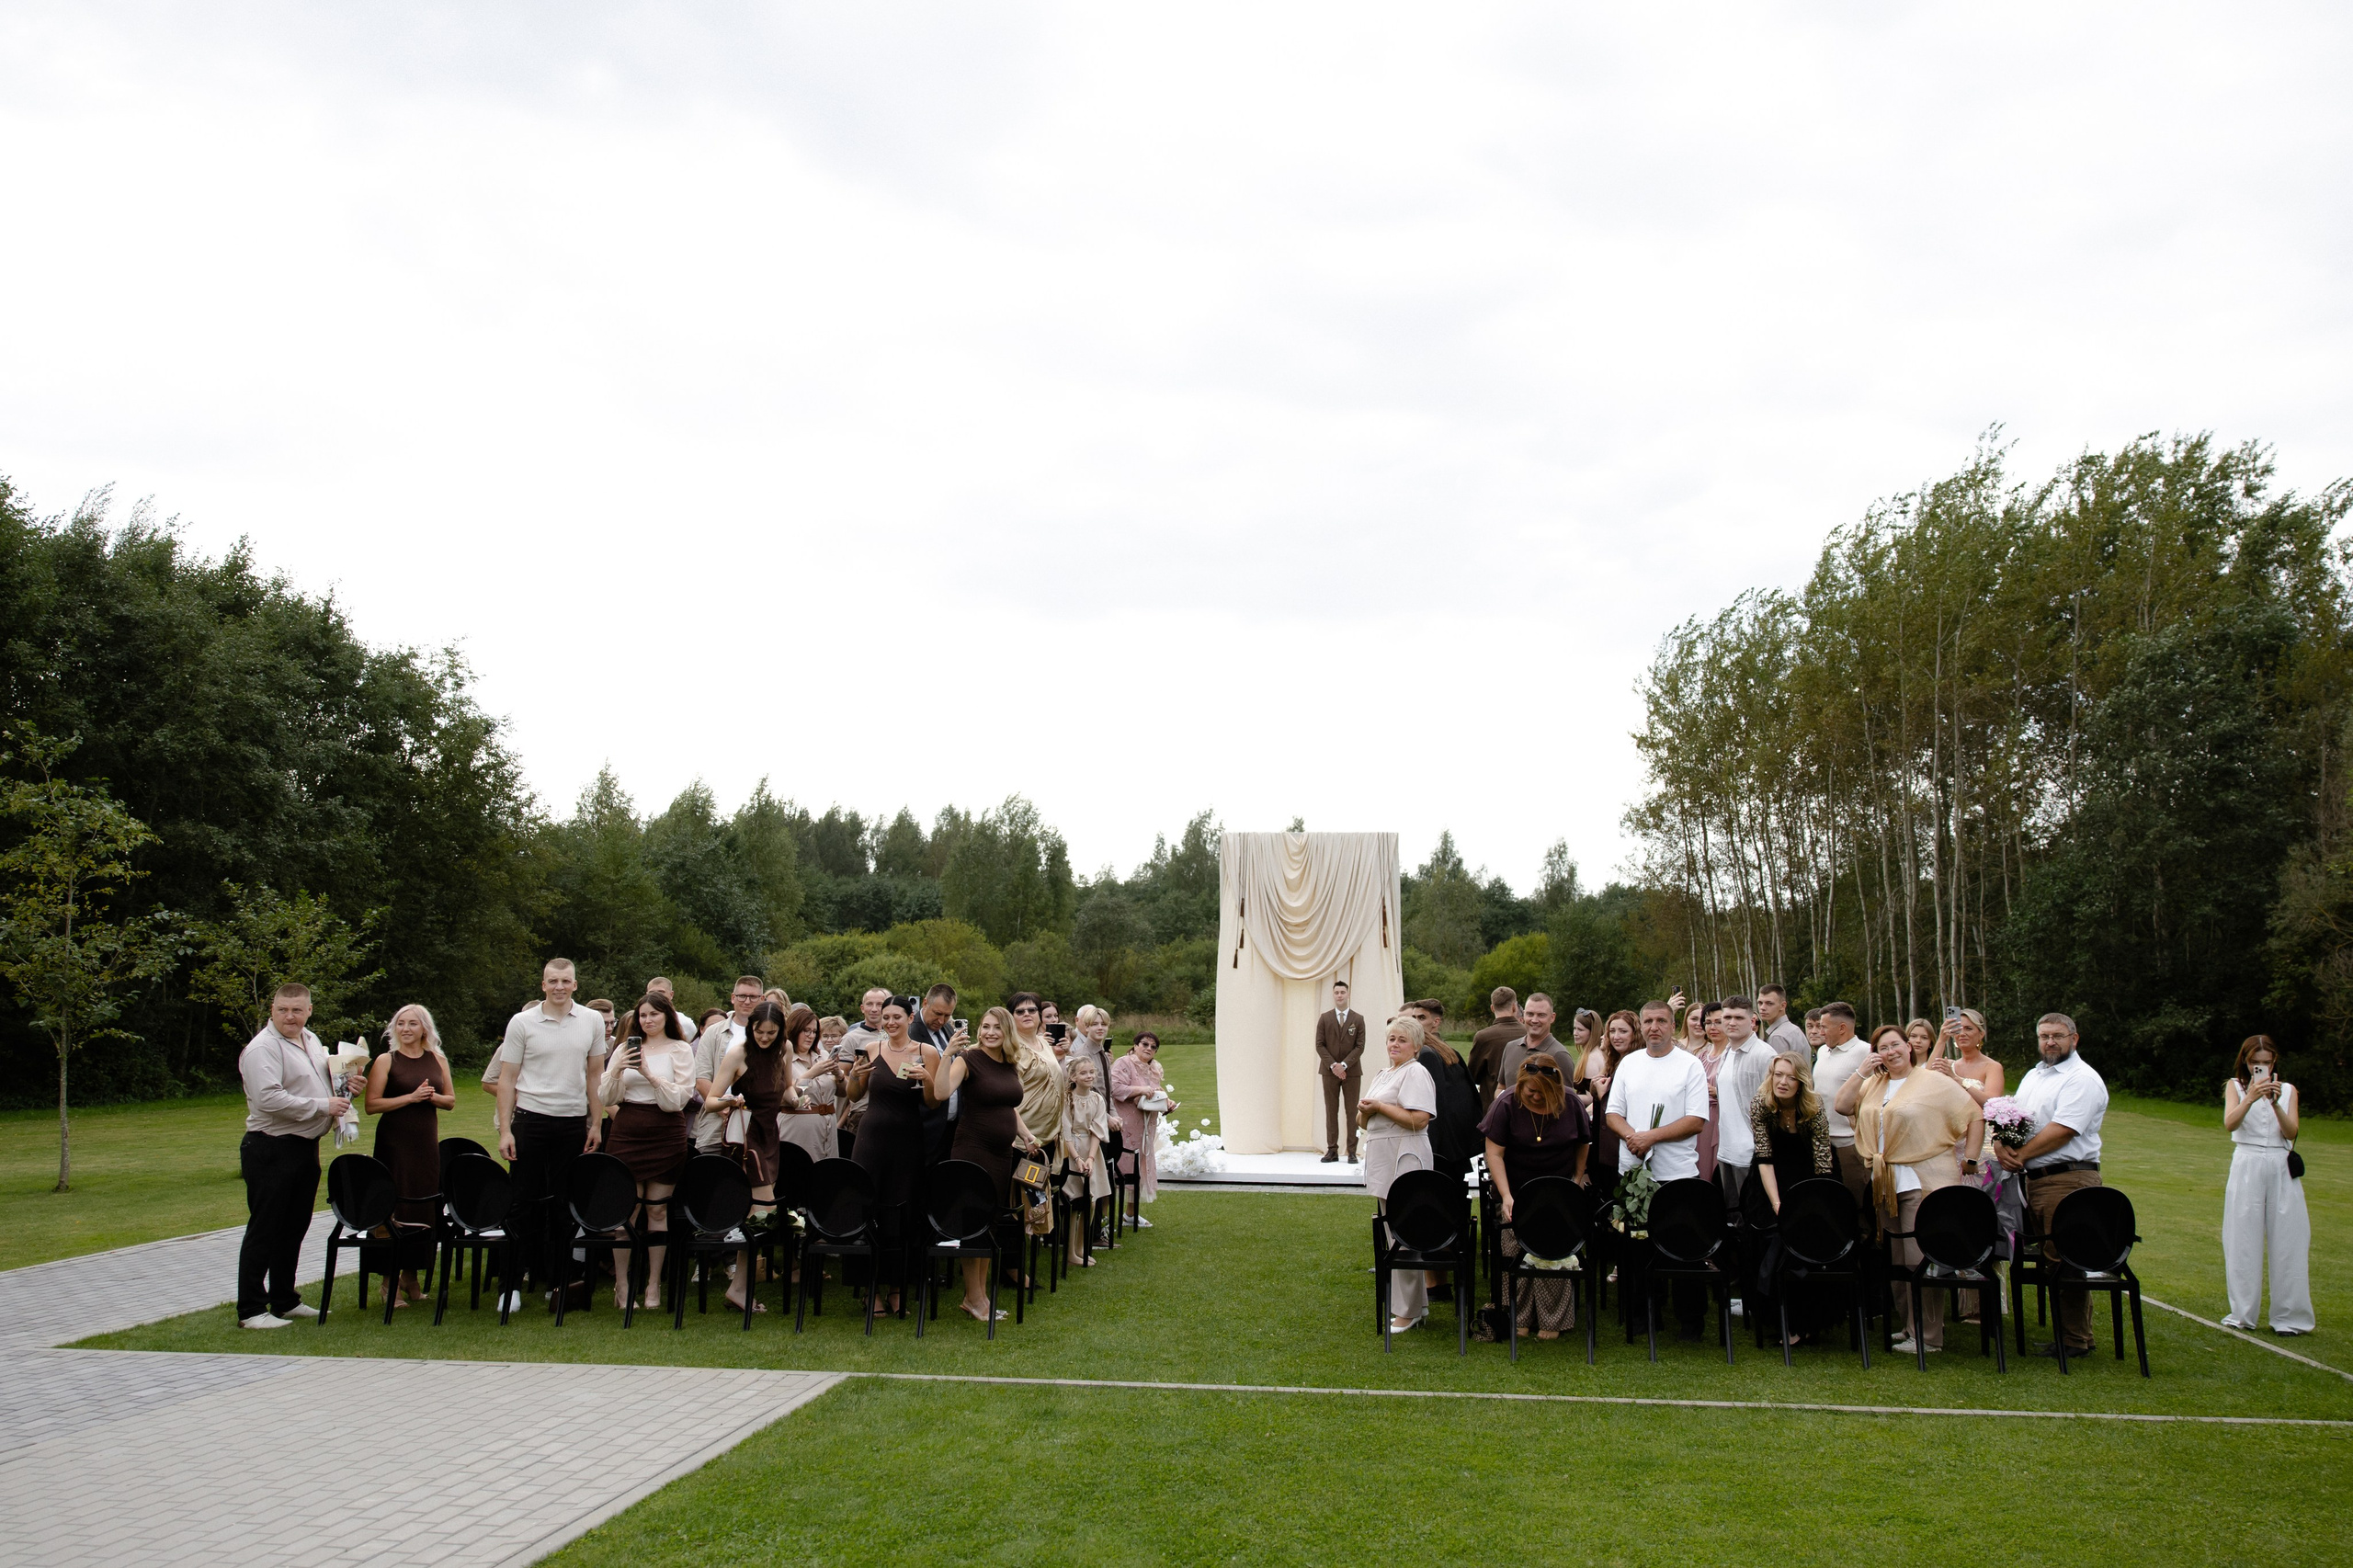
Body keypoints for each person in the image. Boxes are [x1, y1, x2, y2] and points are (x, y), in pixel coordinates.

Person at [1838, 1024, 1984, 1354]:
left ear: (1909, 1046)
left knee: (1920, 1259)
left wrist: (1971, 1160)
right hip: (1887, 1183)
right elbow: (1843, 1106)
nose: (1891, 1052)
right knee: (1896, 1259)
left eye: (1895, 1045)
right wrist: (1862, 1072)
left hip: (1924, 1180)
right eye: (1883, 1048)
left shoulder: (1933, 1082)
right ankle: (1909, 1327)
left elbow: (1974, 1114)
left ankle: (1929, 1337)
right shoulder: (1875, 1085)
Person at [235, 983, 350, 1328]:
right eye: (283, 1009)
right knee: (265, 1228)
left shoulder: (311, 1040)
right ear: (272, 1009)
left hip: (304, 1147)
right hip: (270, 1147)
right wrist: (323, 1105)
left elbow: (318, 1082)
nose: (290, 1016)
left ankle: (284, 1298)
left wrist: (345, 1087)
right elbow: (268, 1099)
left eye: (297, 1010)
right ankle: (251, 1309)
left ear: (309, 1010)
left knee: (294, 1228)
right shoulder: (262, 1049)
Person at [1995, 1012, 2109, 1358]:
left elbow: (2064, 1129)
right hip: (2036, 1180)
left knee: (2064, 1258)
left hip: (2068, 1178)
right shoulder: (2035, 1075)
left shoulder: (2081, 1078)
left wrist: (2021, 1155)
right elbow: (2011, 1115)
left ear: (2075, 1039)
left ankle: (2075, 1340)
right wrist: (2000, 1142)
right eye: (2044, 1035)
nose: (2050, 1042)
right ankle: (2074, 1336)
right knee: (2051, 1259)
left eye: (2058, 1035)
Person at [495, 959, 607, 1312]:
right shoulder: (522, 1022)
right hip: (530, 1121)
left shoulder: (590, 1021)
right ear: (543, 985)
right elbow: (507, 1079)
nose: (559, 986)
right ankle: (510, 1286)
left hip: (572, 1122)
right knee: (521, 1206)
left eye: (566, 981)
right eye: (553, 981)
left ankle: (558, 1284)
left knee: (564, 1209)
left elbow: (594, 1077)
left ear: (576, 985)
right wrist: (506, 1130)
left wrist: (596, 1123)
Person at [1605, 998, 1711, 1339]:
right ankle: (1643, 1317)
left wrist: (1652, 1136)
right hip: (1634, 1173)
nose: (1654, 1027)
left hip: (1676, 1174)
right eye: (1648, 1021)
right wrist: (1633, 1137)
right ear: (1641, 1025)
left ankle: (1690, 1322)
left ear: (1671, 1024)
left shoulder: (1689, 1065)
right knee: (1637, 1251)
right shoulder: (1630, 1064)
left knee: (1684, 1251)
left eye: (1661, 1021)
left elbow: (1696, 1120)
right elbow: (1612, 1114)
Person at [934, 1006, 1048, 1321]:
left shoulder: (1009, 1062)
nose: (990, 1033)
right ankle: (974, 1298)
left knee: (990, 1223)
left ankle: (979, 1296)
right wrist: (947, 1055)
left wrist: (1026, 1135)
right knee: (972, 1224)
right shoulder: (968, 1060)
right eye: (985, 1027)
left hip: (1002, 1154)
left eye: (997, 1027)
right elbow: (941, 1092)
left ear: (1007, 1032)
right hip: (973, 1151)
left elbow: (1008, 1106)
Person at [597, 993, 697, 1312]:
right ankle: (623, 1285)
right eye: (642, 1015)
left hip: (665, 1134)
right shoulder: (624, 1048)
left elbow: (678, 1099)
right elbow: (606, 1095)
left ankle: (653, 1284)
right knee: (627, 1213)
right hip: (627, 1132)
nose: (648, 1020)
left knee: (656, 1210)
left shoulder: (680, 1050)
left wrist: (649, 1074)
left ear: (667, 1016)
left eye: (654, 1014)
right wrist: (617, 1070)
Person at [1480, 1055, 1590, 1339]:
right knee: (1513, 1253)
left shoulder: (1571, 1103)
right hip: (1516, 1192)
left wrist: (1577, 1179)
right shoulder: (1505, 1104)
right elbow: (1494, 1153)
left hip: (1557, 1195)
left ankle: (1553, 1321)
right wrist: (1506, 1196)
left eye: (1544, 1092)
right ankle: (1517, 1315)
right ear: (1521, 1086)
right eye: (1531, 1092)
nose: (1537, 1096)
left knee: (1554, 1254)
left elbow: (1583, 1143)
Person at [846, 995, 938, 1314]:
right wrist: (854, 1075)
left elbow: (935, 1102)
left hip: (908, 1141)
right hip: (871, 1140)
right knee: (866, 1210)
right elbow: (854, 1095)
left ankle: (898, 1289)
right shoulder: (873, 1050)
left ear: (910, 1017)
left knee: (900, 1214)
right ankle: (869, 1291)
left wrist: (927, 1080)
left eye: (896, 1016)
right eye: (885, 1017)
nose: (890, 1022)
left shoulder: (926, 1053)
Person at [362, 1003, 454, 1309]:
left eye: (413, 1024)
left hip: (425, 1144)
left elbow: (450, 1100)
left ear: (424, 1028)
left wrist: (432, 1098)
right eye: (401, 1023)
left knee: (422, 1207)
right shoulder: (387, 1060)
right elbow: (372, 1104)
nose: (406, 1029)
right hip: (395, 1143)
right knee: (396, 1207)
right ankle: (389, 1283)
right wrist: (411, 1098)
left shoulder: (437, 1059)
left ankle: (411, 1278)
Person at [2222, 1035, 2313, 1335]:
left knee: (2289, 1241)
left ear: (2274, 1062)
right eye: (2254, 1062)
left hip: (2280, 1166)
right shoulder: (2235, 1087)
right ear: (2245, 1062)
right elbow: (2230, 1124)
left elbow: (2291, 1131)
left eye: (2266, 1062)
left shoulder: (2288, 1091)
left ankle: (2290, 1317)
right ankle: (2242, 1314)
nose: (2260, 1067)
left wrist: (2274, 1104)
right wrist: (2250, 1098)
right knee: (2241, 1240)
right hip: (2246, 1162)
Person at [1747, 1053, 1835, 1344]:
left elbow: (1823, 1161)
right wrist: (1777, 1204)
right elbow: (1764, 1156)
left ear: (1802, 1082)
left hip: (1812, 1178)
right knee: (1773, 1235)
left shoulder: (1814, 1107)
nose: (1783, 1082)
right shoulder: (1761, 1104)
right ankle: (1777, 1318)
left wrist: (1810, 1206)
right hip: (1769, 1179)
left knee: (1808, 1236)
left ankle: (1808, 1320)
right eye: (1778, 1075)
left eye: (1791, 1077)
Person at [1360, 1016, 1438, 1333]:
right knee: (1393, 1233)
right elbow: (1363, 1121)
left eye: (1401, 1040)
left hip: (1404, 1156)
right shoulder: (1383, 1074)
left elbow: (1420, 1119)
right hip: (1382, 1157)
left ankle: (1407, 1310)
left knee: (1405, 1234)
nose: (1394, 1044)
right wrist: (1366, 1111)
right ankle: (1414, 1306)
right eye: (1391, 1039)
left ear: (1416, 1045)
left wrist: (1378, 1106)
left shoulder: (1416, 1072)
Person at [1708, 997, 1778, 1214]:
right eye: (1726, 1017)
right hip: (1727, 1150)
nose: (1731, 1022)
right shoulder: (1727, 1052)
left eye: (1739, 1017)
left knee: (1754, 1217)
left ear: (1752, 1020)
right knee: (1733, 1218)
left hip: (1751, 1154)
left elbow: (1775, 1106)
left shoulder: (1764, 1055)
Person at [1811, 1002, 1873, 1231]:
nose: (1819, 1032)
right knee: (1830, 1204)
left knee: (1857, 1203)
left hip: (1850, 1144)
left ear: (1843, 1028)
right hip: (1822, 1143)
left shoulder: (1865, 1053)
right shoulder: (1822, 1052)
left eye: (1824, 1027)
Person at [692, 976, 768, 1156]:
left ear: (762, 999)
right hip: (716, 1124)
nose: (747, 1001)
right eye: (742, 996)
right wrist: (724, 1108)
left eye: (753, 997)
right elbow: (702, 1078)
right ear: (733, 998)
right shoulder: (713, 1033)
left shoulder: (772, 1034)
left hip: (758, 1122)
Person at [1110, 1032, 1176, 1227]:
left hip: (1146, 1125)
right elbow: (1115, 1088)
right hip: (1125, 1123)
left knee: (1140, 1165)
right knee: (1120, 1167)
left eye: (1153, 1047)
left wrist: (1167, 1103)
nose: (1148, 1049)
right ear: (1135, 1045)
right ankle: (1103, 1217)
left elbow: (1156, 1091)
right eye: (1144, 1044)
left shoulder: (1154, 1068)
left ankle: (1130, 1214)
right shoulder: (1124, 1063)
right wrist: (1140, 1090)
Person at [1578, 1010, 1641, 1208]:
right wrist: (1596, 1092)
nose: (1616, 1036)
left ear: (1635, 1034)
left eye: (1623, 1031)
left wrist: (1603, 1094)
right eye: (1612, 1031)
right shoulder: (1613, 1061)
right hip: (1602, 1143)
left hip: (1621, 1143)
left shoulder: (1637, 1063)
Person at [1005, 991, 1068, 1174]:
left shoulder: (1045, 1043)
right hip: (1024, 1139)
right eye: (1020, 1011)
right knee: (1025, 1197)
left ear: (1039, 1016)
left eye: (1032, 1010)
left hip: (1049, 1136)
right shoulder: (1011, 1048)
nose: (1027, 1014)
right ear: (1010, 1017)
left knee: (1044, 1197)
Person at [1059, 1054, 1112, 1267]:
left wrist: (1090, 1158)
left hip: (1091, 1151)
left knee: (1090, 1200)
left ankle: (1082, 1247)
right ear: (1073, 1076)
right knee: (1074, 1202)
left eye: (1091, 1072)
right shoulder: (1067, 1099)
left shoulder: (1098, 1099)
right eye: (1083, 1073)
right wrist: (1078, 1159)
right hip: (1071, 1151)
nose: (1089, 1076)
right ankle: (1070, 1251)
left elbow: (1098, 1130)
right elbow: (1065, 1132)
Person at [781, 1007, 843, 1164]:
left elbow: (843, 1093)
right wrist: (811, 1074)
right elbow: (784, 1096)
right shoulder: (784, 1058)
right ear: (794, 1030)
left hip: (828, 1129)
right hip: (798, 1129)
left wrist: (838, 1074)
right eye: (806, 1031)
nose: (811, 1036)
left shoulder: (822, 1056)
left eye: (814, 1032)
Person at [1316, 979, 1368, 1163]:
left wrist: (1344, 1065)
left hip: (1352, 1072)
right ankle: (1332, 1150)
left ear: (1348, 994)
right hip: (1329, 1072)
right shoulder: (1325, 1018)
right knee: (1331, 1110)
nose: (1340, 995)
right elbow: (1320, 1045)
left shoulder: (1358, 1019)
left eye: (1342, 992)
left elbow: (1360, 1047)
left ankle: (1352, 1151)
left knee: (1351, 1111)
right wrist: (1334, 1066)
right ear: (1333, 995)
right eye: (1336, 992)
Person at [1498, 994, 1578, 1090]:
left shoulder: (1559, 1055)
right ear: (1523, 1015)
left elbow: (1566, 1100)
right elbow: (1500, 1088)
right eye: (1530, 1014)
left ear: (1552, 1017)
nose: (1534, 1020)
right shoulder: (1510, 1047)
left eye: (1541, 1015)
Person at [1469, 987, 1524, 1111]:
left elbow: (1472, 1075)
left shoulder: (1484, 1037)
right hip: (1527, 1102)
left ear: (1492, 1008)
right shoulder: (1528, 1034)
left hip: (1493, 1106)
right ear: (1514, 1007)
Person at [1067, 1005, 1115, 1108]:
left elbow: (1108, 1090)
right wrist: (1107, 1117)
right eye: (1095, 1024)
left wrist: (1112, 1112)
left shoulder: (1104, 1054)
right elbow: (1083, 1095)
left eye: (1104, 1024)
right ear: (1087, 1027)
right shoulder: (1083, 1055)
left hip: (1105, 1115)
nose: (1100, 1028)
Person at [1757, 984, 1810, 1059]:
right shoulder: (1795, 1029)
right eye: (1760, 1003)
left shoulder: (1778, 1037)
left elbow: (1777, 1069)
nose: (1762, 1008)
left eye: (1769, 1003)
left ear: (1782, 1006)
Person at [645, 976, 699, 1040]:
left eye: (661, 992)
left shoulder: (685, 1023)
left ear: (671, 995)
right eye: (652, 993)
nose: (656, 996)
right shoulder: (640, 1021)